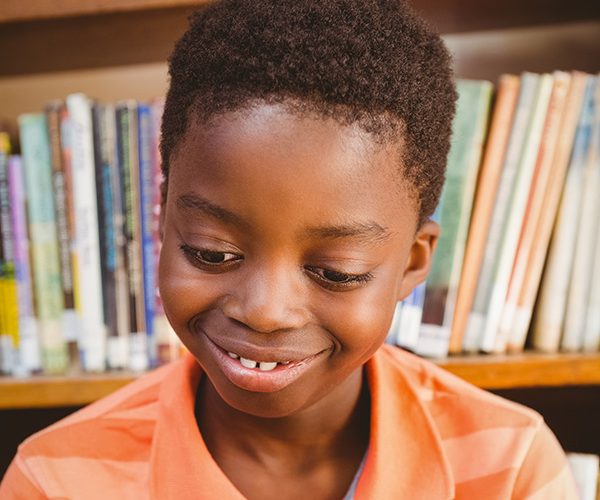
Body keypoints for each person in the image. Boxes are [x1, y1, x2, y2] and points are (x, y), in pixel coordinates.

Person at [0, 1, 577, 498]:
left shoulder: (511, 468)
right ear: (162, 223)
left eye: (336, 272)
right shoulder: (55, 480)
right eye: (212, 253)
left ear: (412, 264)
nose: (265, 311)